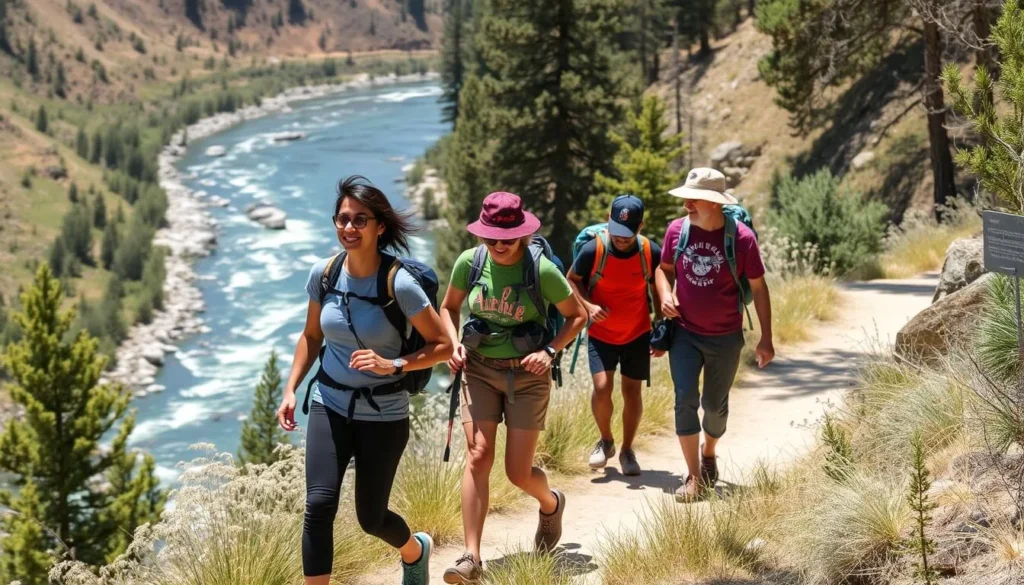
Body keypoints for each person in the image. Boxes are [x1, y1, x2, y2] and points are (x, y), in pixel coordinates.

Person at [276, 176, 453, 585]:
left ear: (379, 227)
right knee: (318, 505)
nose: (349, 228)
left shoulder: (400, 284)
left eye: (359, 220)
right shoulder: (324, 274)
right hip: (329, 403)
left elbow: (442, 344)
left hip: (384, 412)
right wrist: (291, 389)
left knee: (371, 518)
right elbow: (311, 336)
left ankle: (415, 550)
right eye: (342, 219)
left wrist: (394, 364)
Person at [439, 191, 587, 583]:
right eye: (491, 238)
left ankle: (550, 503)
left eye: (507, 238)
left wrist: (551, 352)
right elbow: (449, 307)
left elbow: (577, 316)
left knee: (518, 473)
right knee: (477, 455)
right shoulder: (469, 264)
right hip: (479, 369)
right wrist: (453, 343)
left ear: (522, 234)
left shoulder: (542, 272)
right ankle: (471, 557)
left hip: (529, 375)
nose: (499, 246)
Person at [654, 168, 775, 502]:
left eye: (695, 199)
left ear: (715, 203)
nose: (687, 204)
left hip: (725, 336)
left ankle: (710, 452)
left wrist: (766, 338)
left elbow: (759, 288)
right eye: (686, 198)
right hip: (685, 335)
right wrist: (665, 294)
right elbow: (662, 271)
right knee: (685, 401)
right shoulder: (676, 231)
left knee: (714, 408)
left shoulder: (742, 239)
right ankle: (694, 476)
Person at [566, 195, 663, 476]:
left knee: (631, 391)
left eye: (627, 234)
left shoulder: (649, 251)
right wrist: (589, 305)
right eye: (616, 232)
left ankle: (627, 450)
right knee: (601, 387)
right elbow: (572, 279)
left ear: (640, 226)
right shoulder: (592, 249)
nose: (620, 239)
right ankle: (606, 440)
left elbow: (658, 287)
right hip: (601, 333)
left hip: (637, 332)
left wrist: (660, 324)